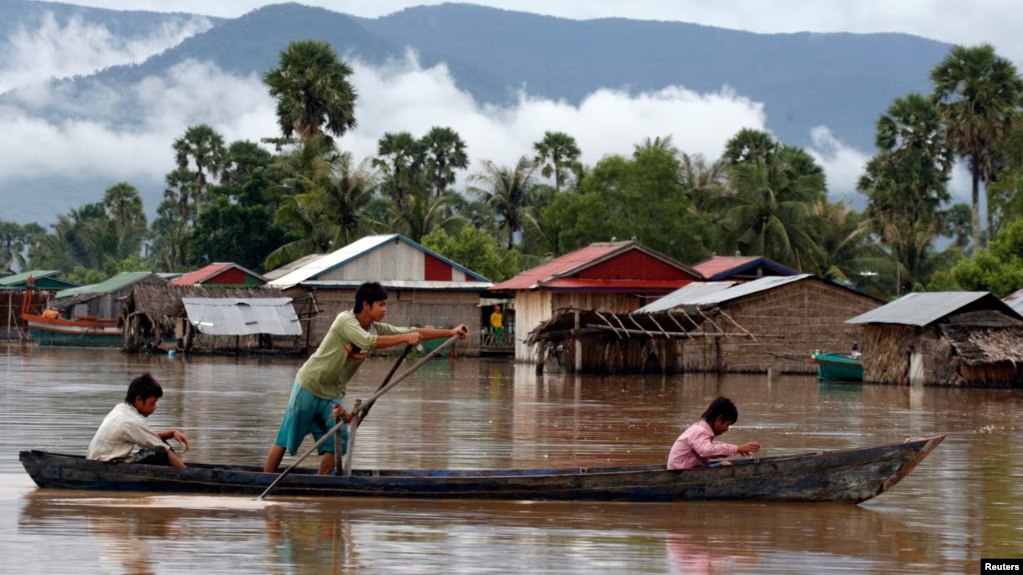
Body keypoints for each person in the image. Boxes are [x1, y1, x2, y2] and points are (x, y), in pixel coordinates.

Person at [263, 281, 469, 475]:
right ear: (366, 305)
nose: (385, 309)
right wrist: (406, 338)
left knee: (340, 441)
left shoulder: (375, 327)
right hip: (309, 385)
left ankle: (320, 483)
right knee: (286, 439)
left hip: (332, 394)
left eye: (385, 304)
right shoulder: (345, 321)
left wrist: (451, 332)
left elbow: (413, 331)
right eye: (381, 304)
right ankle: (265, 479)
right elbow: (369, 342)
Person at [87, 372, 190, 468]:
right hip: (107, 466)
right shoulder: (132, 421)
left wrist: (171, 433)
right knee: (161, 452)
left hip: (97, 462)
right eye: (152, 403)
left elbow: (147, 437)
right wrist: (187, 473)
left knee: (160, 444)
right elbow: (161, 448)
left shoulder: (120, 409)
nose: (154, 408)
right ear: (138, 400)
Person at [666, 396, 761, 470]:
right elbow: (706, 451)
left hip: (688, 470)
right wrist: (737, 449)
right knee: (726, 467)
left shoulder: (701, 430)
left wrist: (737, 450)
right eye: (727, 424)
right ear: (719, 419)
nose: (726, 429)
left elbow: (712, 449)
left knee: (725, 464)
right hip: (681, 473)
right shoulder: (699, 431)